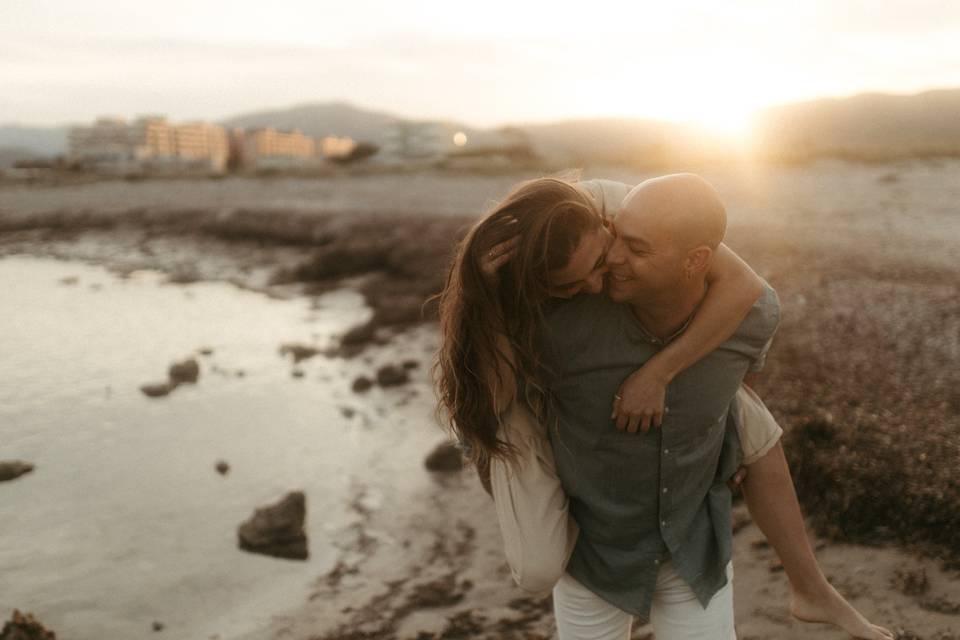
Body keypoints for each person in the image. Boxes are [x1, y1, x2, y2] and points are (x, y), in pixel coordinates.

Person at [435, 175, 893, 640]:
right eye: (573, 286)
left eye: (625, 250)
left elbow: (741, 325)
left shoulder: (625, 216)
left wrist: (690, 407)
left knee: (740, 410)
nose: (604, 275)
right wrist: (488, 296)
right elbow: (485, 407)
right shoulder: (547, 320)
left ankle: (811, 588)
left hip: (692, 548)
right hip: (594, 554)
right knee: (536, 564)